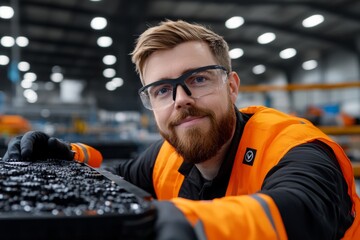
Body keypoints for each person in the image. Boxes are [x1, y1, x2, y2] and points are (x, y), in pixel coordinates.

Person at [2, 20, 360, 240]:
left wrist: (178, 225)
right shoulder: (166, 157)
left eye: (199, 79)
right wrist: (69, 154)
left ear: (232, 86)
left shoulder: (294, 147)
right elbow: (115, 177)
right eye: (161, 90)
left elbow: (302, 212)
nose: (181, 99)